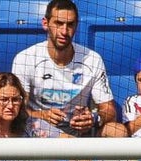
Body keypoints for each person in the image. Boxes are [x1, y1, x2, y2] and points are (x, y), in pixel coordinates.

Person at [11, 0, 126, 137]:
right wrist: (41, 115)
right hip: (37, 127)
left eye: (70, 24)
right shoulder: (26, 58)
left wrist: (93, 118)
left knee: (118, 130)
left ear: (76, 26)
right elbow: (16, 109)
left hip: (78, 129)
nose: (64, 31)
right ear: (45, 24)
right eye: (58, 23)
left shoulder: (92, 59)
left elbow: (109, 110)